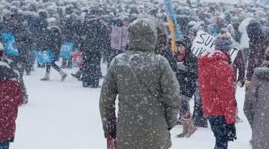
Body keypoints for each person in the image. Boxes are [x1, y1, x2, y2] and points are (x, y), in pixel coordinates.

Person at [99, 19, 180, 149]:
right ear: (153, 37)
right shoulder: (160, 63)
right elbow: (173, 96)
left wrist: (110, 128)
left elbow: (106, 100)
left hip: (127, 128)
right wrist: (168, 122)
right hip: (156, 128)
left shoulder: (118, 62)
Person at [198, 32, 237, 149]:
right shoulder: (224, 67)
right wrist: (230, 121)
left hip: (210, 108)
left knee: (219, 141)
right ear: (227, 49)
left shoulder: (205, 63)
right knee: (222, 144)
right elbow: (227, 96)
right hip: (221, 111)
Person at [175, 37, 198, 137]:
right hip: (179, 84)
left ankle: (189, 127)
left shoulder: (191, 57)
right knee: (182, 105)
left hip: (188, 84)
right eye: (178, 46)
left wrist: (184, 68)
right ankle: (187, 127)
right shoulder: (177, 56)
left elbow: (195, 72)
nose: (179, 48)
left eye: (181, 46)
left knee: (184, 103)